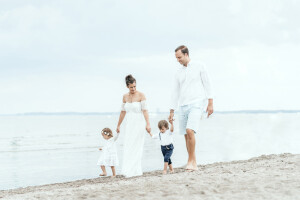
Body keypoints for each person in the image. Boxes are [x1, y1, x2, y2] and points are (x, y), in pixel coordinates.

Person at [168, 45, 213, 171]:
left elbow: (207, 83)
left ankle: (190, 161)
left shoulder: (200, 66)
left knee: (190, 130)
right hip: (182, 105)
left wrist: (210, 102)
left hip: (197, 103)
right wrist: (172, 111)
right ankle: (193, 161)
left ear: (186, 54)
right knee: (186, 135)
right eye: (176, 58)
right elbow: (175, 92)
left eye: (180, 57)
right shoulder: (178, 72)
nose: (178, 60)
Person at [116, 74, 151, 178]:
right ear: (127, 86)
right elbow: (123, 112)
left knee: (137, 146)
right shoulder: (125, 97)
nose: (133, 89)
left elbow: (145, 110)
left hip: (139, 122)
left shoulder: (141, 95)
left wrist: (148, 124)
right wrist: (118, 125)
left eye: (135, 86)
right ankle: (127, 169)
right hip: (129, 123)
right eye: (131, 87)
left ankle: (135, 170)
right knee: (128, 145)